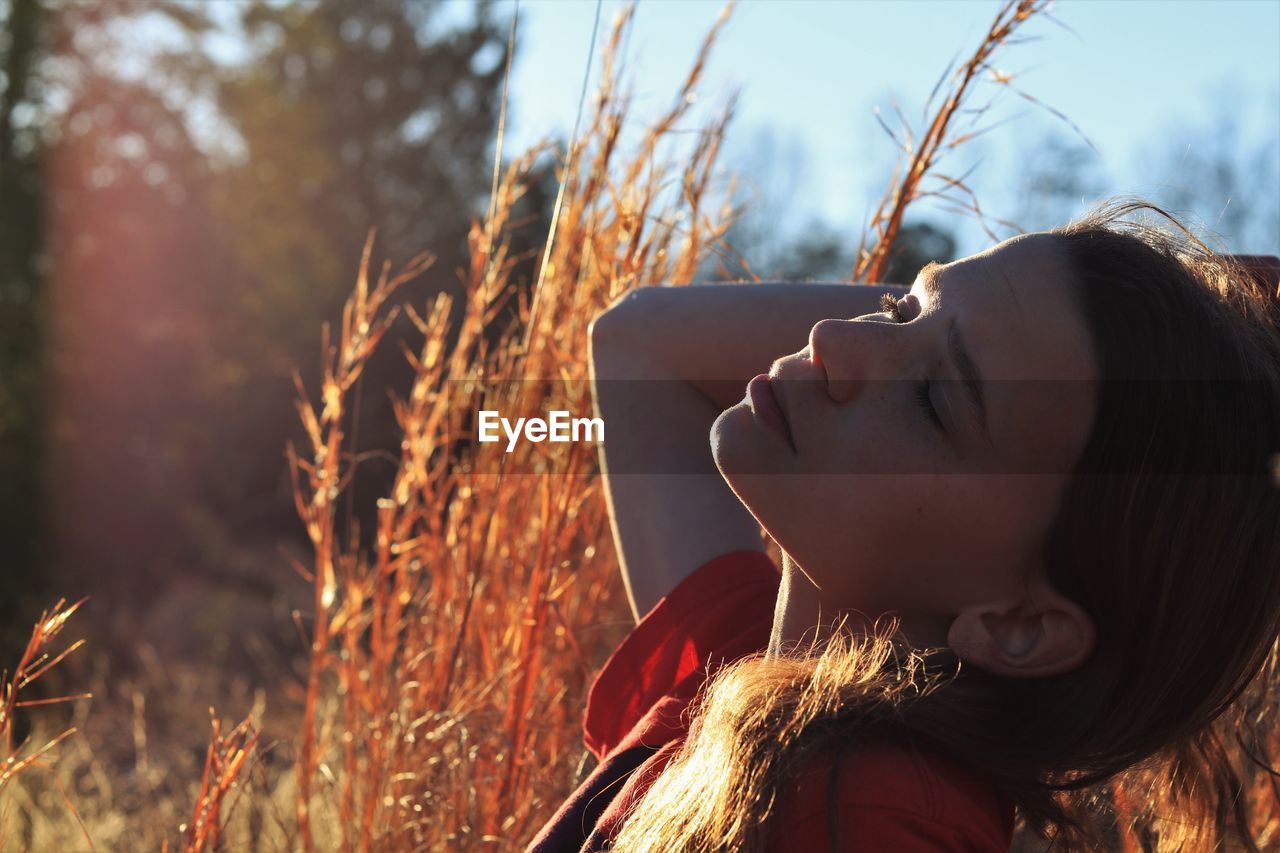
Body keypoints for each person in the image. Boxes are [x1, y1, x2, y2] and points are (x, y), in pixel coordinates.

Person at [527, 199, 1280, 851]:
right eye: (899, 310)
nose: (834, 338)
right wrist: (1178, 305)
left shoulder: (877, 811)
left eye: (934, 400)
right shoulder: (735, 678)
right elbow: (639, 342)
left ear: (1018, 621)